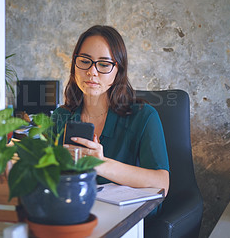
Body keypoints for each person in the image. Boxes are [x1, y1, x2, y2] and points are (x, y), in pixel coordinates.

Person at [51, 25, 170, 198]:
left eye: (104, 64)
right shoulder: (60, 117)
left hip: (131, 217)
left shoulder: (144, 116)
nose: (92, 72)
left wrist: (101, 164)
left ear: (118, 70)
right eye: (84, 61)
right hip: (75, 209)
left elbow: (162, 183)